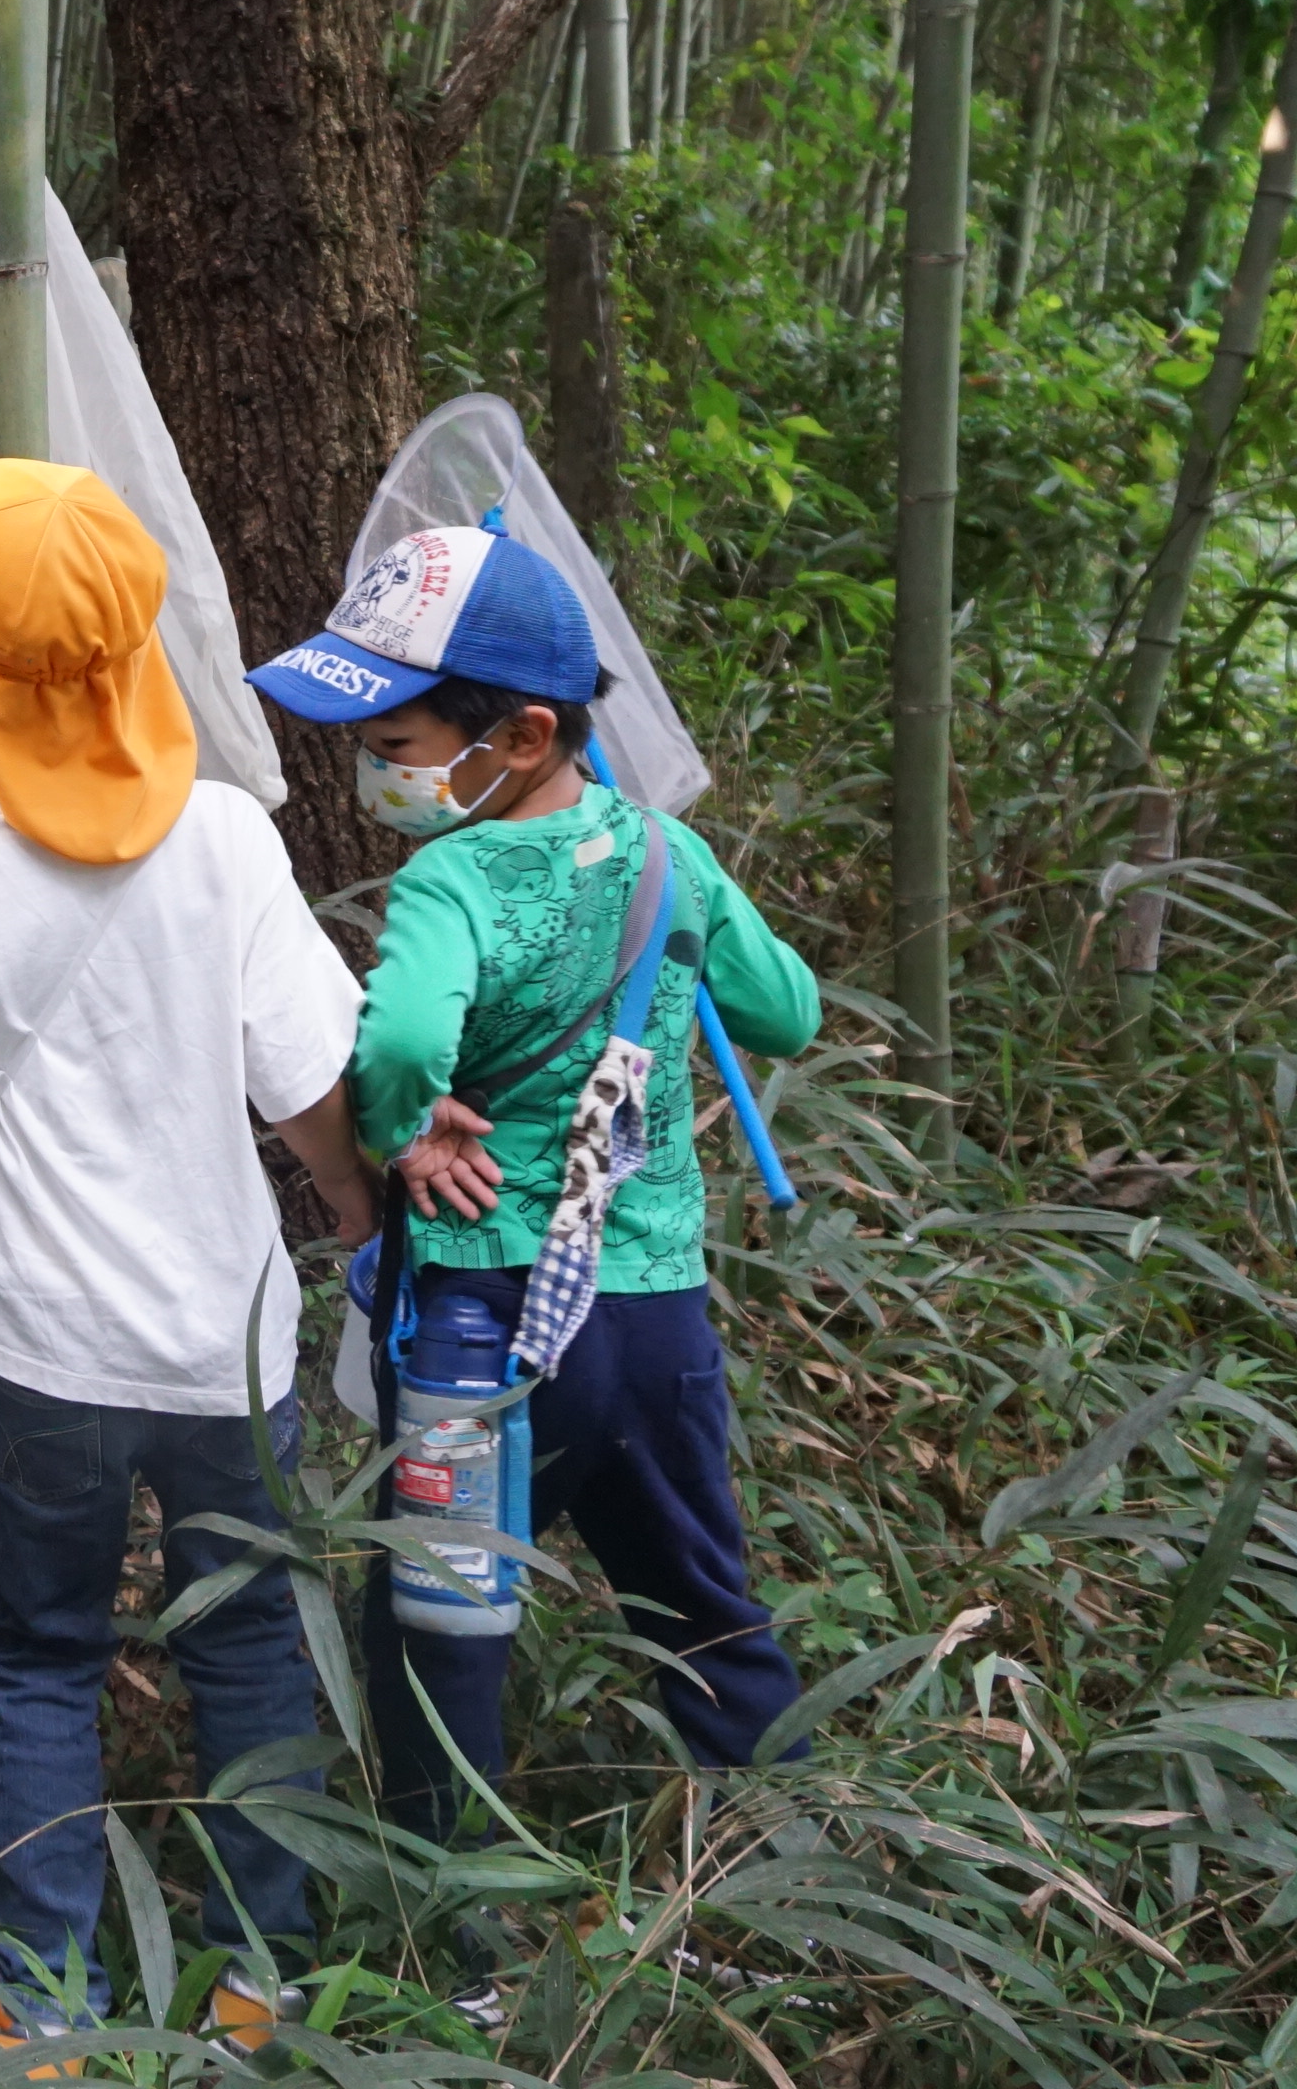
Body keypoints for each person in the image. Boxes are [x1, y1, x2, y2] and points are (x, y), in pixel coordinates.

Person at [0, 460, 377, 2056]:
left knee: (42, 1648)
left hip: (43, 1347)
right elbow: (313, 1087)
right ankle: (266, 1969)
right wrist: (352, 1210)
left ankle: (47, 1984)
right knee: (252, 1638)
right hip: (227, 1339)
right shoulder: (233, 843)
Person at [244, 526, 824, 1859]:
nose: (377, 774)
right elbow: (782, 1012)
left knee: (443, 1611)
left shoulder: (452, 874)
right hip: (655, 1311)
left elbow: (394, 1047)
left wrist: (404, 1133)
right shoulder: (669, 857)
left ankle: (439, 1889)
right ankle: (775, 1842)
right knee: (697, 1588)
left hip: (480, 1321)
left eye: (394, 748)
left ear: (517, 736)